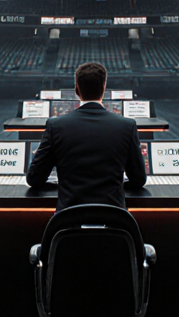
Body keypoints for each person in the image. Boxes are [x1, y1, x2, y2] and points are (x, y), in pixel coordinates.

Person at [27, 62, 147, 210]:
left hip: (68, 221)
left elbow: (34, 179)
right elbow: (138, 180)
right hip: (114, 220)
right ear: (104, 88)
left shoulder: (55, 126)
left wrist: (60, 184)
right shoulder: (127, 126)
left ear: (77, 89)